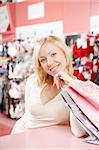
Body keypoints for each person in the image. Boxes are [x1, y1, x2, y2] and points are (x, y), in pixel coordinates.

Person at [11, 35, 86, 137]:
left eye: (53, 54)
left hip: (50, 142)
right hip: (20, 136)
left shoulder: (77, 87)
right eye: (43, 60)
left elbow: (79, 132)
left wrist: (70, 87)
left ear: (64, 53)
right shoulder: (33, 81)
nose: (49, 63)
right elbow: (27, 116)